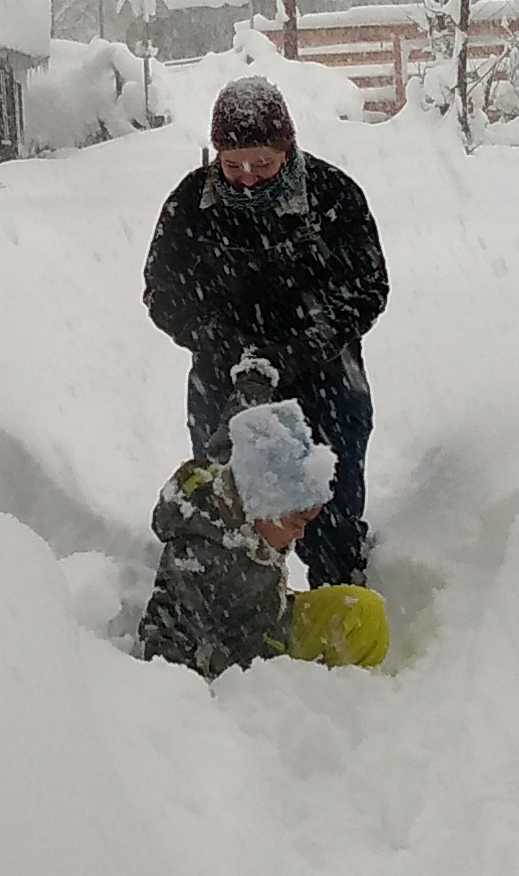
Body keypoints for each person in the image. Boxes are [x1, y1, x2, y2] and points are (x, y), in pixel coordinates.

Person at [142, 72, 388, 588]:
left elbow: (367, 286)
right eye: (233, 166)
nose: (247, 177)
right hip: (223, 373)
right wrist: (223, 345)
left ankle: (338, 581)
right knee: (228, 496)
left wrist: (299, 348)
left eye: (263, 164)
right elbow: (163, 292)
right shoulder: (190, 204)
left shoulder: (333, 196)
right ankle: (237, 597)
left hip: (322, 370)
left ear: (287, 149)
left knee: (330, 484)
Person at [137, 398, 341, 676]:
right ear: (265, 507)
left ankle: (356, 695)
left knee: (361, 613)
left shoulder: (251, 520)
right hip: (240, 663)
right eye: (297, 522)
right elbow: (169, 636)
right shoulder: (201, 556)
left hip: (268, 626)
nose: (300, 534)